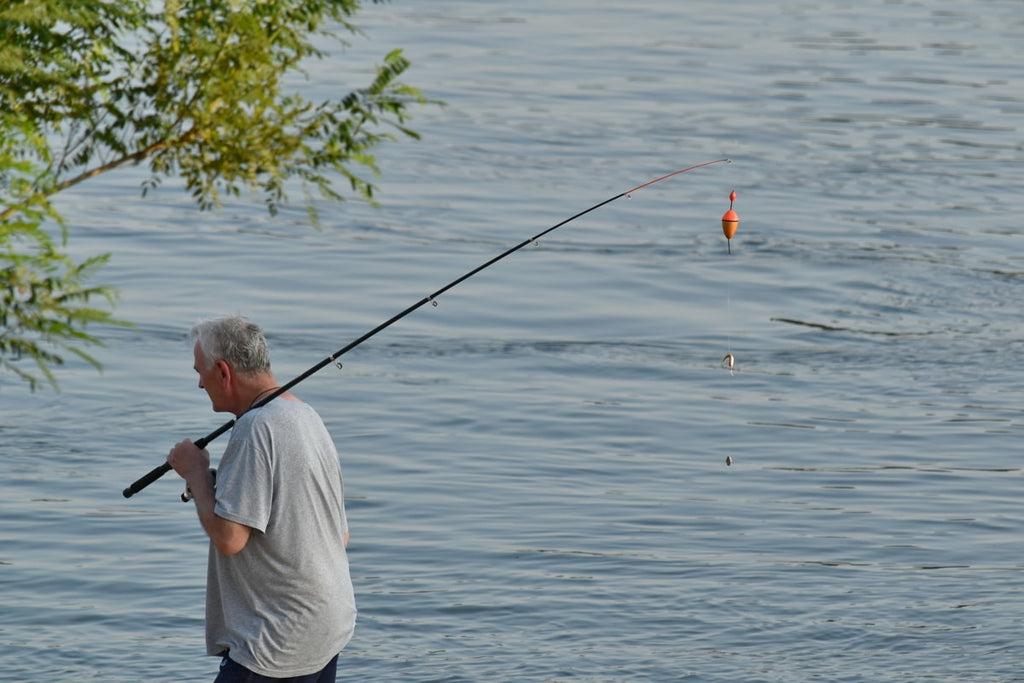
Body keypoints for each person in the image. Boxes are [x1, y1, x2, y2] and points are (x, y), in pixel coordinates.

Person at [167, 315, 356, 683]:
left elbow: (229, 538)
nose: (198, 383)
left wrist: (195, 472)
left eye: (200, 372)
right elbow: (340, 535)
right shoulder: (306, 416)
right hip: (327, 626)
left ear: (223, 371)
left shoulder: (254, 429)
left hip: (277, 640)